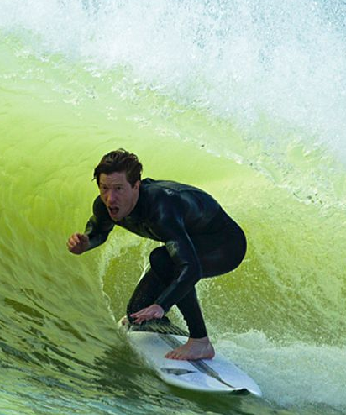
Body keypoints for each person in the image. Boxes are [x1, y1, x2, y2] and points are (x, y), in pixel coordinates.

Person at [67, 149, 247, 361]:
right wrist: (86, 242)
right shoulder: (106, 205)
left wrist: (162, 305)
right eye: (104, 188)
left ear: (136, 185)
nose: (110, 198)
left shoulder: (161, 208)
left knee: (164, 260)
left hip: (225, 244)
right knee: (137, 315)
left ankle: (200, 341)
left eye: (118, 188)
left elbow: (190, 268)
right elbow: (98, 232)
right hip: (193, 242)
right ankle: (164, 326)